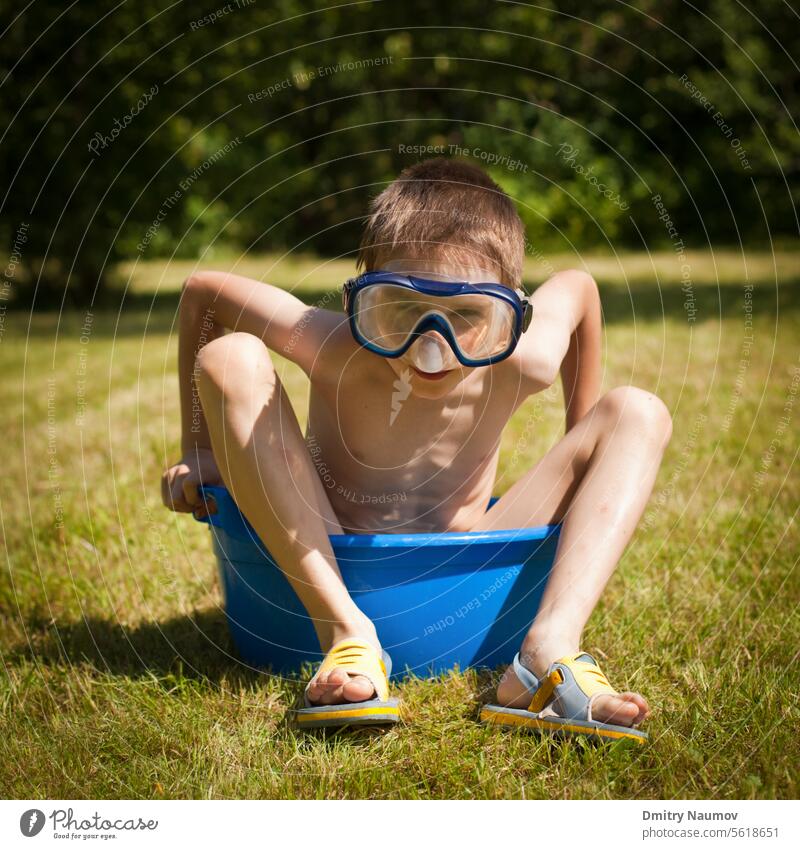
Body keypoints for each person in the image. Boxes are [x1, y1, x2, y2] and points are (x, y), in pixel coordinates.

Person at [161, 158, 671, 741]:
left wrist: (579, 433)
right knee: (228, 357)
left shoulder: (523, 360)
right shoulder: (331, 345)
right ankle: (346, 633)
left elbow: (579, 290)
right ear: (362, 298)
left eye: (467, 316)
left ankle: (545, 651)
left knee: (638, 410)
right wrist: (197, 447)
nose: (434, 345)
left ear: (510, 314)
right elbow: (204, 292)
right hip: (326, 540)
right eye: (401, 309)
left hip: (467, 552)